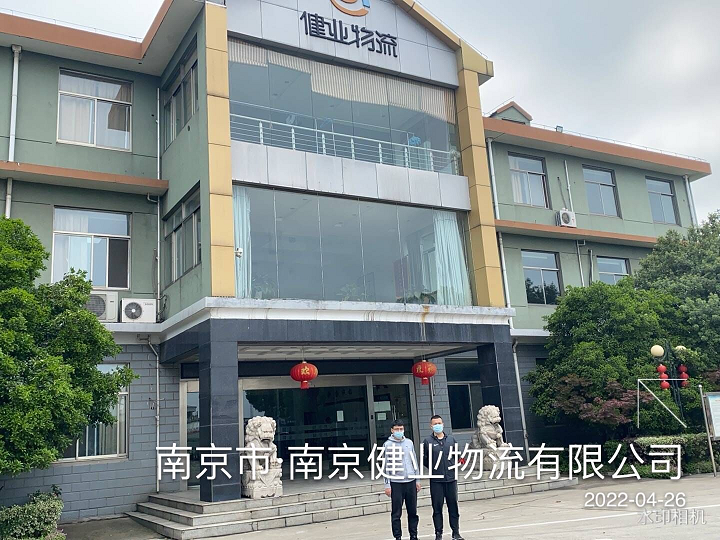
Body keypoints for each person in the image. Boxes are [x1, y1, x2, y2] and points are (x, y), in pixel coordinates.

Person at [422, 415, 463, 540]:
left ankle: (455, 532)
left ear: (443, 424)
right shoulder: (427, 441)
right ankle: (438, 533)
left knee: (453, 507)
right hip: (436, 480)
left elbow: (457, 456)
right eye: (435, 424)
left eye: (439, 423)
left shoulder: (451, 440)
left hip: (451, 479)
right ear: (431, 426)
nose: (437, 425)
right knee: (437, 508)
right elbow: (425, 460)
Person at [383, 419, 422, 540]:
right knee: (396, 513)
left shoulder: (409, 443)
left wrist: (417, 480)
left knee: (413, 511)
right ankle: (398, 536)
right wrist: (387, 485)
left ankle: (413, 535)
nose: (399, 431)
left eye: (401, 429)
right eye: (397, 429)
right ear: (392, 430)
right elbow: (385, 466)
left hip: (410, 482)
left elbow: (414, 461)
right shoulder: (387, 445)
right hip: (396, 483)